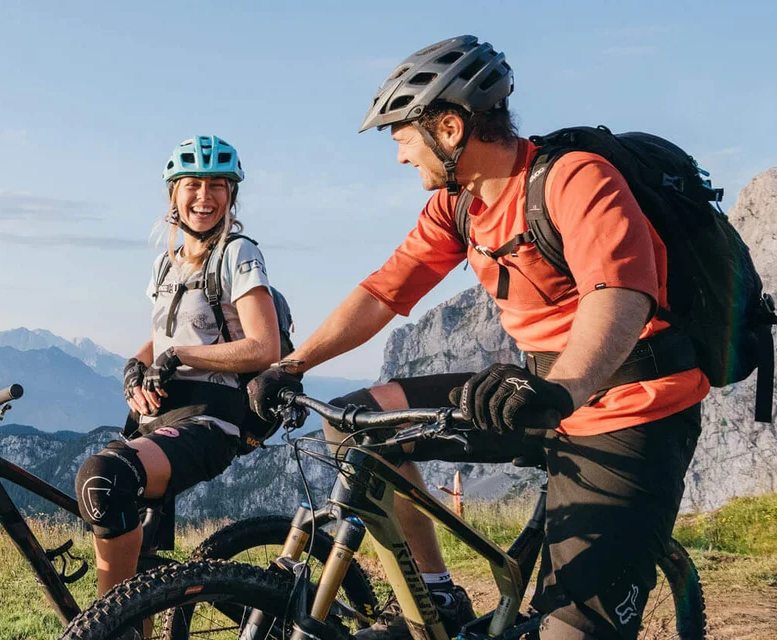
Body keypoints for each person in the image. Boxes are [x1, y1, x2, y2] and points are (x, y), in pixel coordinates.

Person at [249, 36, 707, 639]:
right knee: (355, 422)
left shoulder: (574, 179)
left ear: (447, 126)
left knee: (572, 633)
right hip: (536, 388)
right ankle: (435, 595)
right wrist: (294, 364)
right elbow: (385, 291)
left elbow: (619, 296)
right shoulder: (457, 204)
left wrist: (563, 389)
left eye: (403, 138)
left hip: (629, 404)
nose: (399, 157)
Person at [77, 135, 286, 602]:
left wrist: (182, 358)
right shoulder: (164, 265)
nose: (204, 197)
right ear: (173, 193)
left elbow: (264, 346)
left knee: (102, 477)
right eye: (192, 184)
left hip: (212, 417)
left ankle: (115, 631)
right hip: (158, 417)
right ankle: (131, 622)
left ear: (232, 194)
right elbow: (166, 336)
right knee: (140, 559)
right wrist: (137, 366)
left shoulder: (238, 253)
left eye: (218, 185)